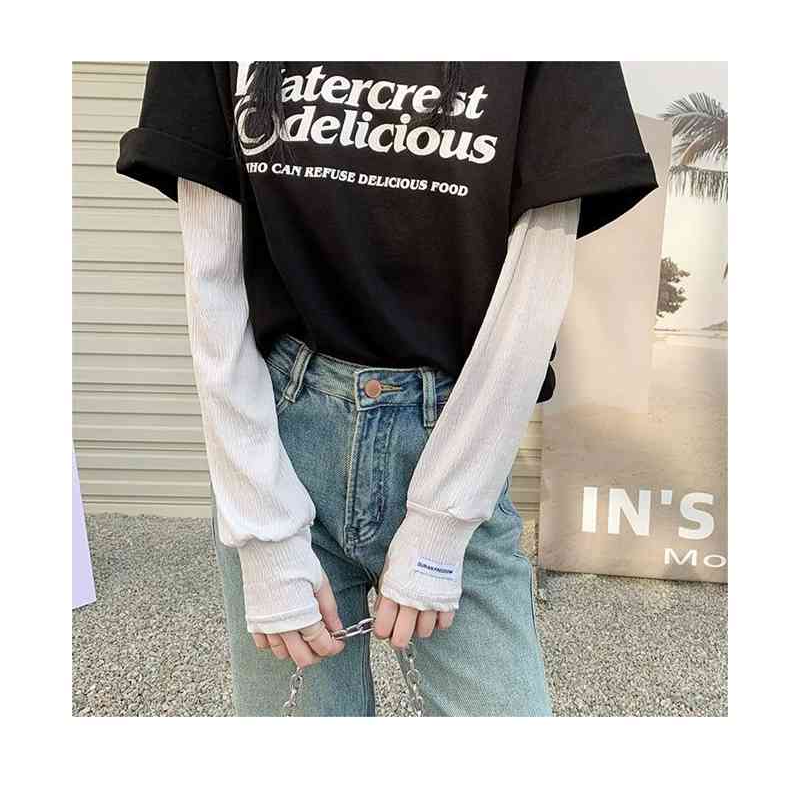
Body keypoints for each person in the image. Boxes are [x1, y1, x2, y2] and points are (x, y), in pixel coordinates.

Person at [117, 61, 657, 716]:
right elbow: (212, 275)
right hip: (283, 437)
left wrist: (443, 521)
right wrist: (262, 532)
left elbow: (535, 285)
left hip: (456, 431)